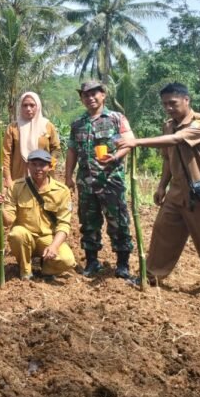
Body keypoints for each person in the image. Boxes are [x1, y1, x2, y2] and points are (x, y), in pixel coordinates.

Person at [115, 83, 200, 301]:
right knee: (163, 233)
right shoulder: (168, 125)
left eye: (173, 103)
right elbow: (168, 157)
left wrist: (136, 142)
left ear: (186, 100)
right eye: (165, 104)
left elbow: (176, 140)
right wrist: (162, 185)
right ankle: (152, 275)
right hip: (176, 192)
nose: (168, 108)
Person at [65, 80, 134, 278]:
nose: (90, 98)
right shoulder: (77, 124)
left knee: (118, 222)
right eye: (86, 95)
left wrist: (117, 156)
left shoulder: (116, 118)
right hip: (86, 182)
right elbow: (71, 151)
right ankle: (92, 262)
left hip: (111, 180)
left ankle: (122, 264)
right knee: (88, 222)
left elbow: (130, 142)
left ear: (103, 95)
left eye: (94, 94)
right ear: (82, 99)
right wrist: (68, 176)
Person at [0, 150, 76, 281]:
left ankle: (46, 268)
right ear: (28, 166)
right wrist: (1, 207)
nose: (38, 168)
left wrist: (54, 246)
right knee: (17, 234)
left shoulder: (61, 191)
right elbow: (8, 221)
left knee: (67, 260)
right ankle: (25, 270)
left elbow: (64, 225)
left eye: (42, 165)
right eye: (34, 164)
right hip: (25, 238)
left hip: (48, 238)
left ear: (50, 166)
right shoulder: (16, 187)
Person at [3, 92, 61, 188]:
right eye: (25, 105)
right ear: (20, 107)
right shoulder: (13, 128)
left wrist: (50, 167)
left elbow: (56, 149)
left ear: (38, 106)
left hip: (43, 177)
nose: (28, 109)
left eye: (32, 105)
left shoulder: (48, 126)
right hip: (19, 177)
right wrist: (8, 178)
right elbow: (6, 154)